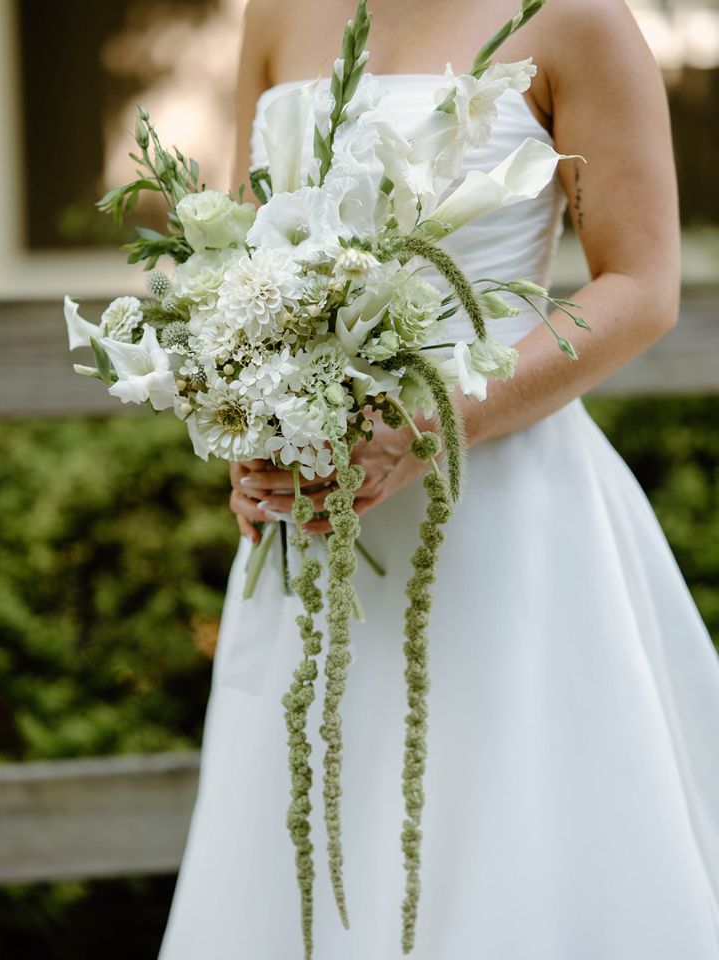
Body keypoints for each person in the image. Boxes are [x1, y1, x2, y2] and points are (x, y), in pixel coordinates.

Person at [159, 1, 719, 957]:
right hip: (316, 527)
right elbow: (243, 266)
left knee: (494, 839)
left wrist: (433, 427)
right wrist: (248, 438)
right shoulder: (276, 14)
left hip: (501, 518)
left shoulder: (580, 19)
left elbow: (641, 286)